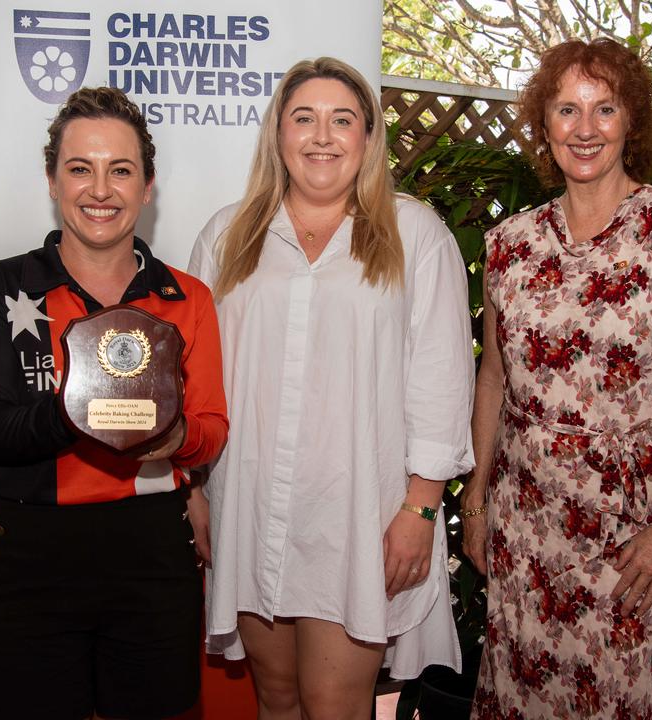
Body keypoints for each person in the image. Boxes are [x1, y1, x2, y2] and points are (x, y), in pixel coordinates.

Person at [189, 57, 475, 719]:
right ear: (278, 136)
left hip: (359, 520)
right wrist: (198, 490)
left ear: (368, 139)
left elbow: (440, 380)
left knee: (334, 707)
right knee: (278, 701)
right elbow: (199, 380)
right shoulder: (226, 236)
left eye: (342, 119)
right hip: (251, 506)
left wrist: (421, 510)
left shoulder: (415, 235)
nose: (323, 136)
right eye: (304, 118)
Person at [462, 38, 652, 719]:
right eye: (566, 110)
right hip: (529, 529)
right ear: (543, 125)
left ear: (631, 121)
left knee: (634, 698)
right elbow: (494, 376)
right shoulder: (509, 245)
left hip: (642, 532)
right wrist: (475, 499)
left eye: (604, 108)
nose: (585, 129)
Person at [0, 86, 228, 720]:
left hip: (151, 557)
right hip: (28, 555)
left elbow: (211, 429)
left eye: (121, 170)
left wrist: (173, 438)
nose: (99, 189)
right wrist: (78, 411)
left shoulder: (187, 299)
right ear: (53, 180)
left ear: (148, 187)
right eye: (80, 168)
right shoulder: (2, 288)